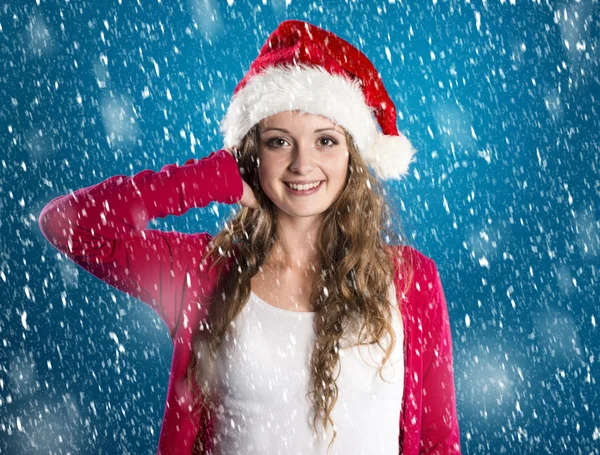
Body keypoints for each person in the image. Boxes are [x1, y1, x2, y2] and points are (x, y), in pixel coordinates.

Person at [39, 20, 461, 455]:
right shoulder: (199, 273)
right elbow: (68, 224)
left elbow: (437, 442)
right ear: (252, 151)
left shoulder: (412, 280)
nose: (302, 164)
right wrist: (208, 179)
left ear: (352, 156)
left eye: (325, 141)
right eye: (279, 141)